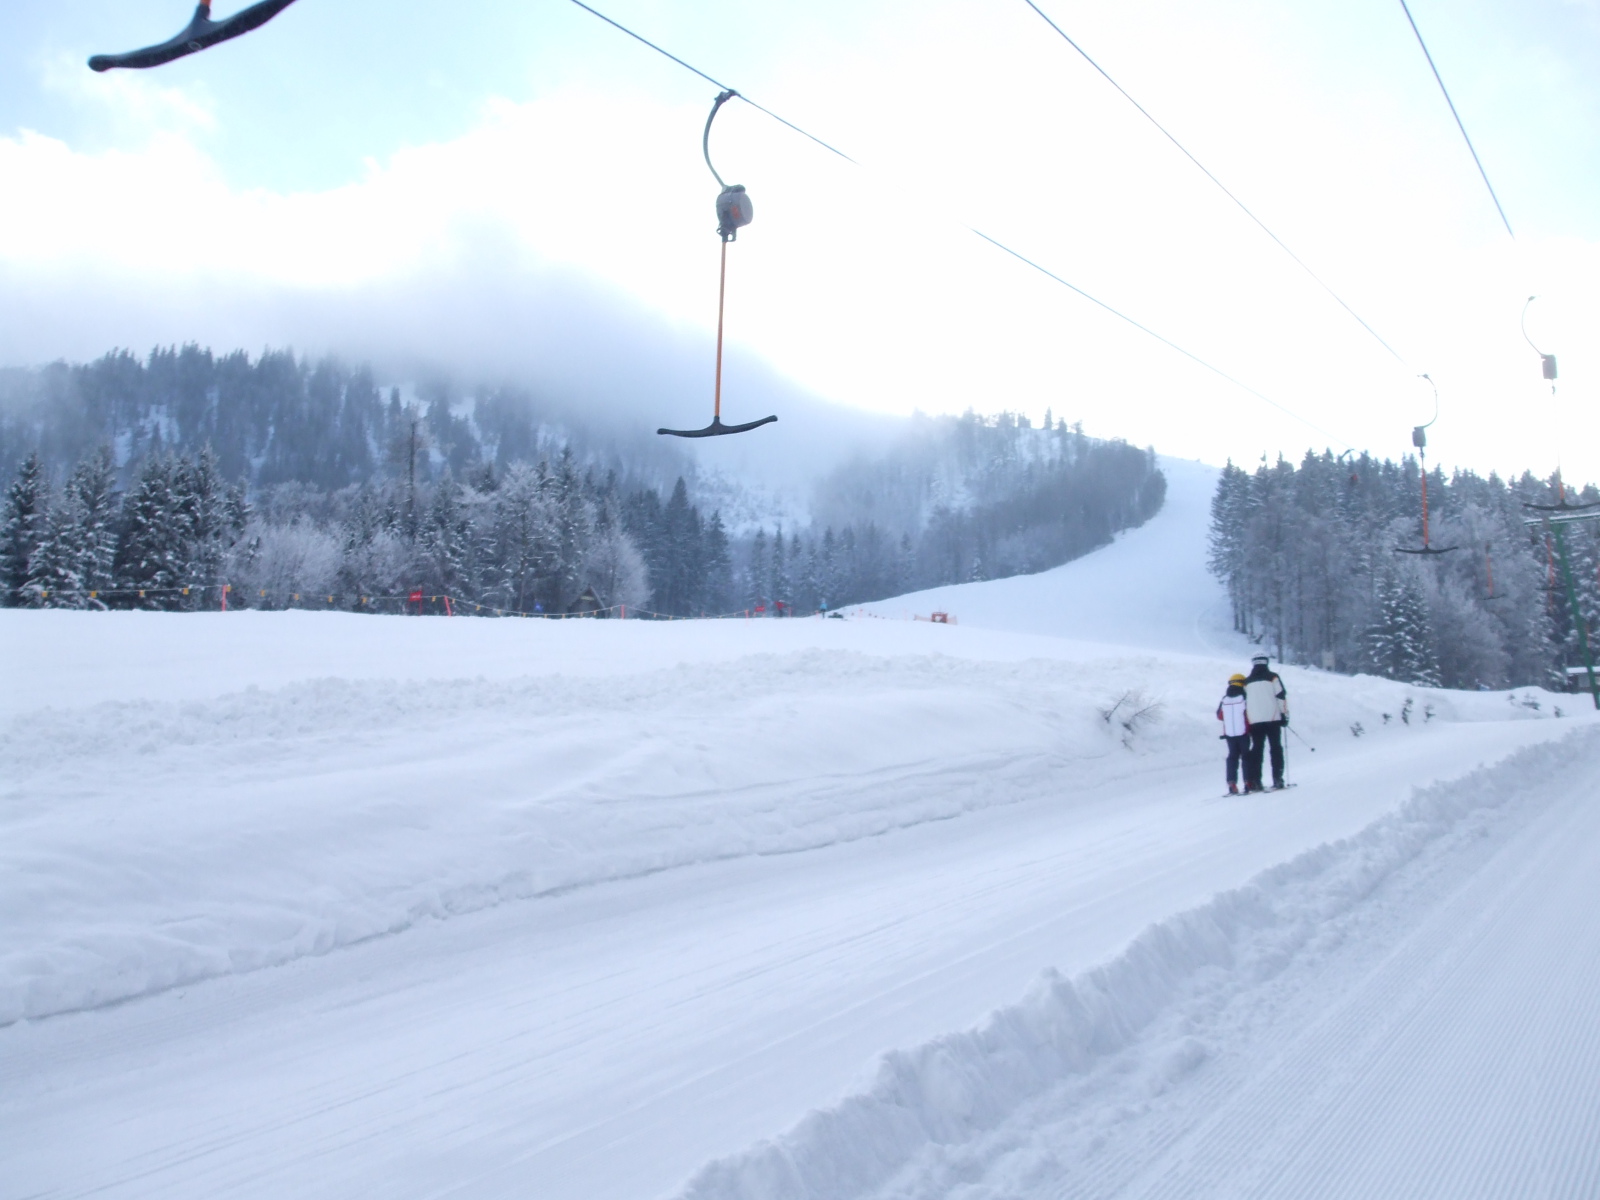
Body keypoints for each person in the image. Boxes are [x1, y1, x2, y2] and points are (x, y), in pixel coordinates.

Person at [1243, 653, 1289, 791]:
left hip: (1255, 721)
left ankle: (1256, 781)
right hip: (1273, 719)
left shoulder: (1246, 682)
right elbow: (1281, 696)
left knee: (1257, 749)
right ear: (1266, 663)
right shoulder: (1273, 677)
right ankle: (1277, 778)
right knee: (1275, 748)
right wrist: (1285, 715)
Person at [1216, 673, 1250, 794]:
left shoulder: (1224, 699)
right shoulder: (1244, 697)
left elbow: (1219, 716)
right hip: (1244, 733)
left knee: (1232, 757)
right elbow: (1249, 713)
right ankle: (1248, 782)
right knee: (1246, 757)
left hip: (1229, 734)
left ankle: (1232, 784)